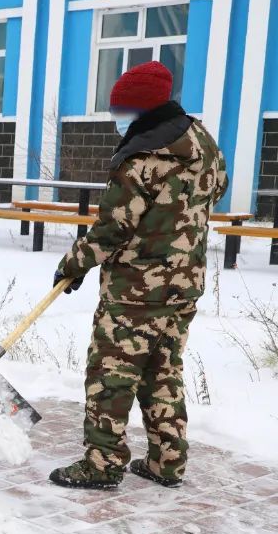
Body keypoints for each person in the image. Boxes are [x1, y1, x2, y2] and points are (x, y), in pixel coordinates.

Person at [48, 61, 228, 491]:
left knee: (111, 375)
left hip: (136, 293)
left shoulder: (141, 160)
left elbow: (113, 229)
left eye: (121, 110)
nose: (116, 118)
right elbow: (218, 188)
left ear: (140, 110)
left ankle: (102, 464)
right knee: (162, 370)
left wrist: (73, 264)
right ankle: (167, 462)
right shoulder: (200, 138)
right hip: (184, 284)